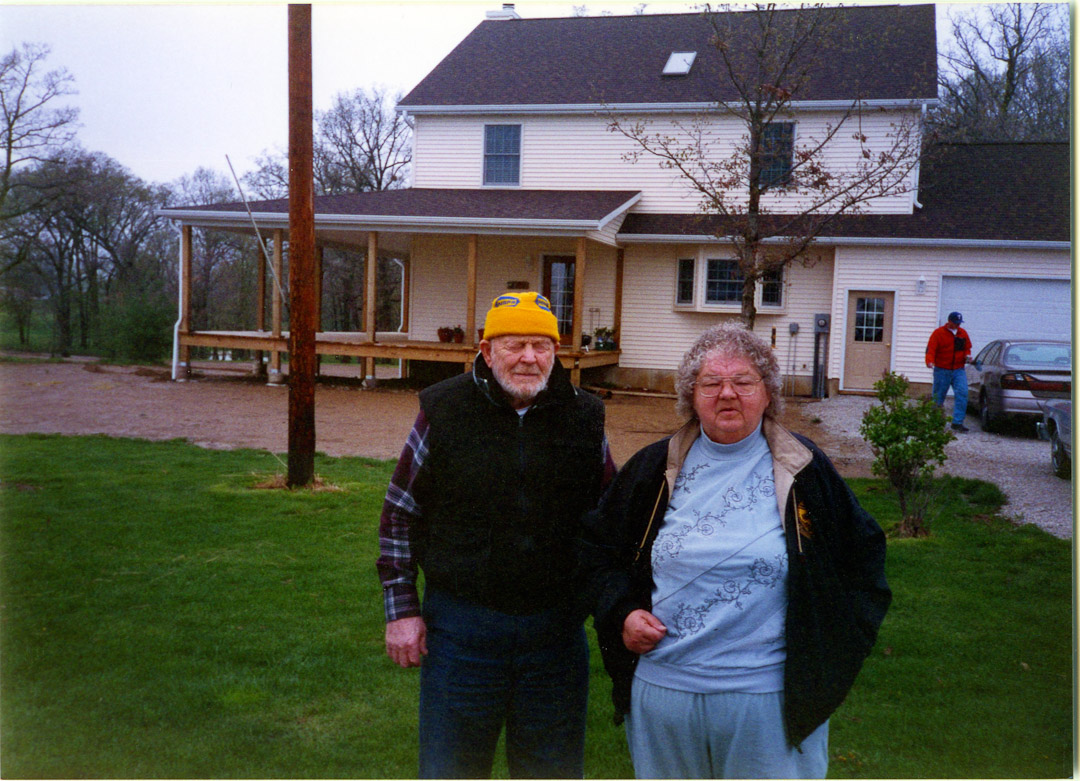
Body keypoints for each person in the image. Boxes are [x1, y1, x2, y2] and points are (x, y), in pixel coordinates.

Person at [581, 321, 891, 779]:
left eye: (743, 382)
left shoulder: (805, 469)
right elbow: (595, 553)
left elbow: (863, 564)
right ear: (691, 395)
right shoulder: (653, 468)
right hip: (664, 695)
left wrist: (829, 658)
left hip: (767, 700)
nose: (727, 394)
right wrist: (622, 612)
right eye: (711, 383)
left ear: (767, 393)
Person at [376, 291, 616, 779]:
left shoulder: (585, 417)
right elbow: (400, 513)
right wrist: (401, 610)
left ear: (556, 352)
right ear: (486, 351)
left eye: (541, 345)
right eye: (514, 345)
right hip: (462, 632)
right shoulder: (444, 409)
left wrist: (614, 606)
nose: (529, 357)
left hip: (554, 635)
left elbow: (610, 521)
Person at [925, 311, 973, 433]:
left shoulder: (963, 333)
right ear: (949, 321)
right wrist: (929, 361)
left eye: (959, 323)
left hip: (958, 369)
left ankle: (957, 422)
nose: (958, 325)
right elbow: (931, 349)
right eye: (956, 323)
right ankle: (935, 422)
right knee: (938, 396)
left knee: (962, 393)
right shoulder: (938, 333)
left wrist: (968, 356)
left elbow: (967, 348)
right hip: (942, 369)